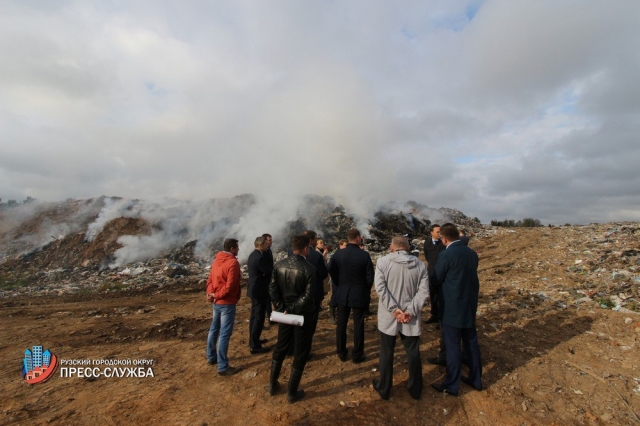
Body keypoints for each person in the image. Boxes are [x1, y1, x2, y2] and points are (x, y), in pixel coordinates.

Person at [373, 236, 429, 400]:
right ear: (408, 247)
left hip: (388, 316)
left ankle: (384, 388)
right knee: (413, 352)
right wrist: (410, 310)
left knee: (386, 352)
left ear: (392, 247)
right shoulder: (420, 265)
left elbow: (380, 289)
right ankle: (415, 388)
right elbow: (423, 292)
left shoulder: (383, 262)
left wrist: (394, 309)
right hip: (410, 317)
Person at [431, 223, 482, 396]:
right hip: (469, 304)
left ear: (444, 239)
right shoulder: (472, 253)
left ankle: (452, 384)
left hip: (452, 306)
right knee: (471, 343)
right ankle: (476, 379)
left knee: (453, 345)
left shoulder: (446, 255)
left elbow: (436, 279)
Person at [268, 235, 316, 403]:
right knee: (301, 351)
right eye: (309, 248)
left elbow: (272, 289)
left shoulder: (279, 265)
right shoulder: (309, 269)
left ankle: (273, 385)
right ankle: (291, 392)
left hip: (285, 314)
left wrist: (281, 308)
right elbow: (309, 296)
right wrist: (291, 309)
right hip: (301, 315)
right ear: (305, 249)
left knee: (281, 346)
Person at [329, 228, 375, 363]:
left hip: (342, 293)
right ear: (358, 238)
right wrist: (364, 289)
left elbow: (332, 270)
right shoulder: (364, 255)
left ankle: (341, 352)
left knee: (341, 324)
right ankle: (357, 354)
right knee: (358, 324)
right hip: (359, 293)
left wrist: (340, 284)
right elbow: (370, 277)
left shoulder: (338, 254)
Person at [206, 238, 242, 376]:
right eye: (237, 248)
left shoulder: (217, 260)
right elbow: (230, 286)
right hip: (226, 302)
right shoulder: (232, 262)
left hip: (216, 302)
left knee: (214, 329)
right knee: (225, 333)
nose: (238, 250)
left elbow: (210, 280)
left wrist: (211, 294)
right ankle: (222, 366)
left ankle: (211, 357)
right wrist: (217, 295)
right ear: (232, 249)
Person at [301, 230, 329, 358]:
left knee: (298, 323)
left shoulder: (292, 251)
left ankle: (295, 347)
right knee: (310, 324)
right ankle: (305, 351)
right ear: (311, 240)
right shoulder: (316, 256)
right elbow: (323, 274)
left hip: (298, 292)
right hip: (313, 293)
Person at [247, 236, 272, 354]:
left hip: (254, 289)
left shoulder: (253, 255)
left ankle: (253, 340)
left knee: (254, 316)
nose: (268, 246)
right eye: (266, 244)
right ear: (260, 245)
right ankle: (254, 345)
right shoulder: (260, 258)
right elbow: (267, 272)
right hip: (259, 289)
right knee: (258, 317)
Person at [423, 224, 445, 325]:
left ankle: (441, 318)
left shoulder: (443, 242)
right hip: (432, 272)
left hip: (442, 272)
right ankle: (434, 315)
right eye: (437, 232)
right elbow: (427, 255)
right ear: (431, 232)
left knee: (442, 295)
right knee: (433, 294)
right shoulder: (427, 243)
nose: (439, 234)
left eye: (440, 232)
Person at [327, 239, 348, 325]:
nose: (346, 247)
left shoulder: (347, 255)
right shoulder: (335, 255)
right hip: (337, 280)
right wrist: (335, 277)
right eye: (345, 245)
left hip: (345, 280)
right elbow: (330, 268)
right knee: (335, 296)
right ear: (340, 245)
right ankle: (332, 315)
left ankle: (341, 314)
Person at [262, 233, 275, 327]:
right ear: (265, 241)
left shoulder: (268, 250)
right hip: (265, 279)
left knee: (269, 298)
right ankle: (268, 318)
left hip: (269, 278)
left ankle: (271, 317)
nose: (271, 241)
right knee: (266, 299)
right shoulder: (264, 252)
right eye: (269, 240)